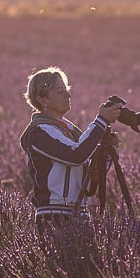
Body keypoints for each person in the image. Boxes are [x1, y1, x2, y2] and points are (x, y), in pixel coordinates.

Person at [19, 67, 121, 232]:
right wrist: (101, 121)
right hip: (54, 216)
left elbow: (91, 176)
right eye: (60, 92)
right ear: (43, 100)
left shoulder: (69, 130)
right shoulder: (39, 132)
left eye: (66, 90)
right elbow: (75, 155)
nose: (68, 95)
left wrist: (105, 152)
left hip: (79, 212)